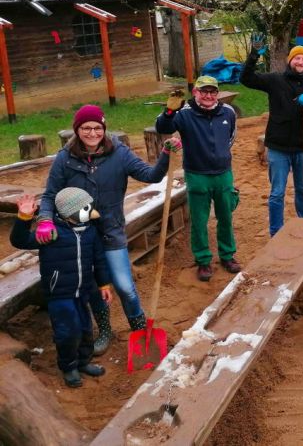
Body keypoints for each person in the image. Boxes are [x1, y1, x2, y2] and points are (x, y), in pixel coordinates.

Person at [39, 104, 178, 354]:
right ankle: (104, 330)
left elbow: (151, 176)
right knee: (93, 287)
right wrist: (45, 219)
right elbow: (50, 195)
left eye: (97, 128)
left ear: (104, 129)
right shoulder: (65, 158)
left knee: (124, 286)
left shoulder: (119, 154)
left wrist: (165, 155)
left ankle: (139, 330)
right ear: (77, 130)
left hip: (111, 230)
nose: (92, 133)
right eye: (86, 128)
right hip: (80, 235)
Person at [14, 189, 113, 387]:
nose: (91, 212)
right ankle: (69, 367)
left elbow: (99, 260)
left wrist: (103, 284)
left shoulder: (90, 231)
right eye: (86, 208)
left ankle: (84, 361)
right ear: (69, 213)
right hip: (59, 293)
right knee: (67, 331)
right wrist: (25, 218)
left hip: (82, 290)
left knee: (85, 328)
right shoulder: (51, 233)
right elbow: (20, 240)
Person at [240, 39, 303, 235]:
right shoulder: (275, 80)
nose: (301, 62)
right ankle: (275, 231)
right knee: (277, 192)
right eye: (297, 58)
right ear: (290, 61)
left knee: (302, 189)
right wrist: (254, 55)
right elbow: (246, 79)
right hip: (279, 147)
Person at [156, 75, 242, 281]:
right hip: (196, 174)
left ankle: (227, 255)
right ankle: (203, 260)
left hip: (223, 173)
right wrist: (169, 111)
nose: (208, 96)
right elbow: (163, 128)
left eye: (213, 92)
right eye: (204, 91)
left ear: (217, 93)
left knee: (226, 216)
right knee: (199, 220)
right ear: (195, 92)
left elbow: (231, 136)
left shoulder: (228, 112)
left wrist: (219, 154)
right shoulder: (184, 113)